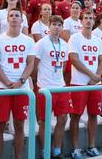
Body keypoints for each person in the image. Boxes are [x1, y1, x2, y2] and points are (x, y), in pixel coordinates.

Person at [0, 8, 35, 159]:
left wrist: (21, 81)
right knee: (0, 125)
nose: (14, 18)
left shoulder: (28, 40)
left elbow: (30, 64)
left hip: (22, 89)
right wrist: (8, 82)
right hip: (2, 89)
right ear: (7, 19)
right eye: (12, 16)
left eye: (17, 16)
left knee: (20, 126)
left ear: (22, 21)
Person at [68, 10, 102, 158]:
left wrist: (97, 77)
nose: (88, 21)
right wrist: (92, 76)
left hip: (95, 85)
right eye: (86, 18)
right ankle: (75, 148)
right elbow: (74, 59)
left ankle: (91, 145)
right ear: (81, 21)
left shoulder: (97, 40)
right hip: (79, 84)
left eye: (91, 18)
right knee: (75, 116)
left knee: (94, 115)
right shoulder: (74, 38)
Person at [34, 15, 71, 158]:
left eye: (59, 25)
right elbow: (34, 66)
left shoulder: (64, 44)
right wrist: (42, 80)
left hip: (60, 86)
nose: (56, 27)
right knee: (44, 121)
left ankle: (57, 150)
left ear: (62, 28)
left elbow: (64, 66)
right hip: (45, 87)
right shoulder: (41, 44)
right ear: (49, 27)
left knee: (62, 119)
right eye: (54, 24)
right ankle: (45, 151)